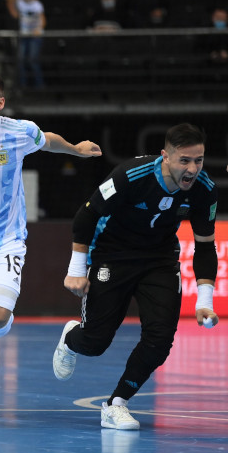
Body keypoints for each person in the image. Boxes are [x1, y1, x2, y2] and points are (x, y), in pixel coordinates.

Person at [0, 70, 101, 420]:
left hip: (4, 241)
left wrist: (75, 149)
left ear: (0, 103)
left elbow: (48, 139)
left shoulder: (19, 132)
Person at [53, 123, 219, 430]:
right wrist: (76, 269)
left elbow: (205, 247)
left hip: (159, 259)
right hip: (112, 254)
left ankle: (117, 403)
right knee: (95, 342)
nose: (193, 169)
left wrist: (204, 301)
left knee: (160, 339)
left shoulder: (204, 189)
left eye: (199, 160)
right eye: (185, 160)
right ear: (165, 157)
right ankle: (70, 339)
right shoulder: (132, 175)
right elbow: (87, 215)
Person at [0, 0, 46, 88]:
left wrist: (38, 29)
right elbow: (9, 0)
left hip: (35, 37)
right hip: (24, 36)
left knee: (32, 61)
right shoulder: (20, 3)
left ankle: (40, 85)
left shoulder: (37, 4)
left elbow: (43, 20)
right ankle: (23, 86)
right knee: (20, 61)